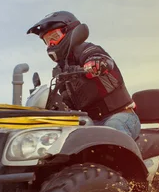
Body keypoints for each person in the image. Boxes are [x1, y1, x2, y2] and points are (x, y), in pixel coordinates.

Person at [26, 11, 141, 140]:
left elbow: (100, 58)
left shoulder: (87, 50)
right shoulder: (60, 70)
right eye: (47, 40)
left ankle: (124, 160)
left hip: (121, 115)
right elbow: (66, 102)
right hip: (91, 122)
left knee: (111, 130)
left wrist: (97, 63)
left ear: (69, 32)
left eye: (54, 36)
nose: (51, 44)